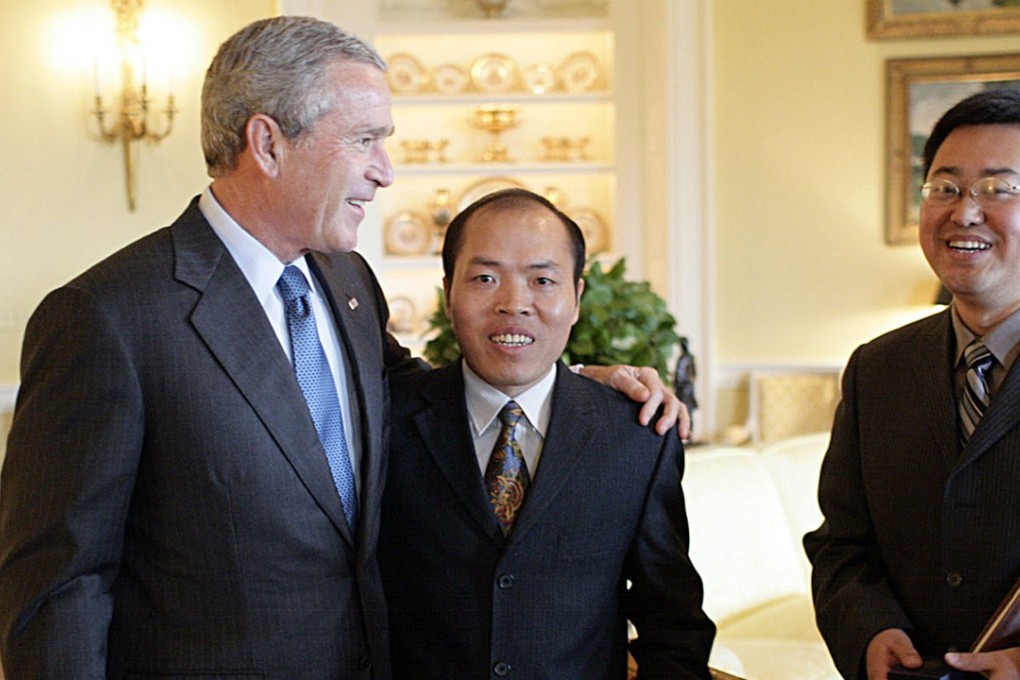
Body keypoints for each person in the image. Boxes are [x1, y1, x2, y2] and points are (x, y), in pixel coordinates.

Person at [0, 16, 686, 679]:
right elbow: (57, 590)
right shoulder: (107, 317)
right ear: (268, 144)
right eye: (364, 140)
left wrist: (568, 387)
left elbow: (417, 393)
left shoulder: (345, 280)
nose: (384, 172)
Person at [378, 188, 716, 680]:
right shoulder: (386, 422)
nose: (514, 304)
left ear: (576, 298)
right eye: (485, 278)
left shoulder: (637, 437)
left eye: (542, 280)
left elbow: (673, 624)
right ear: (448, 292)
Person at [804, 88, 1020, 680]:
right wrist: (871, 632)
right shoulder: (878, 369)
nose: (965, 213)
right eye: (945, 189)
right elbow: (842, 546)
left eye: (998, 189)